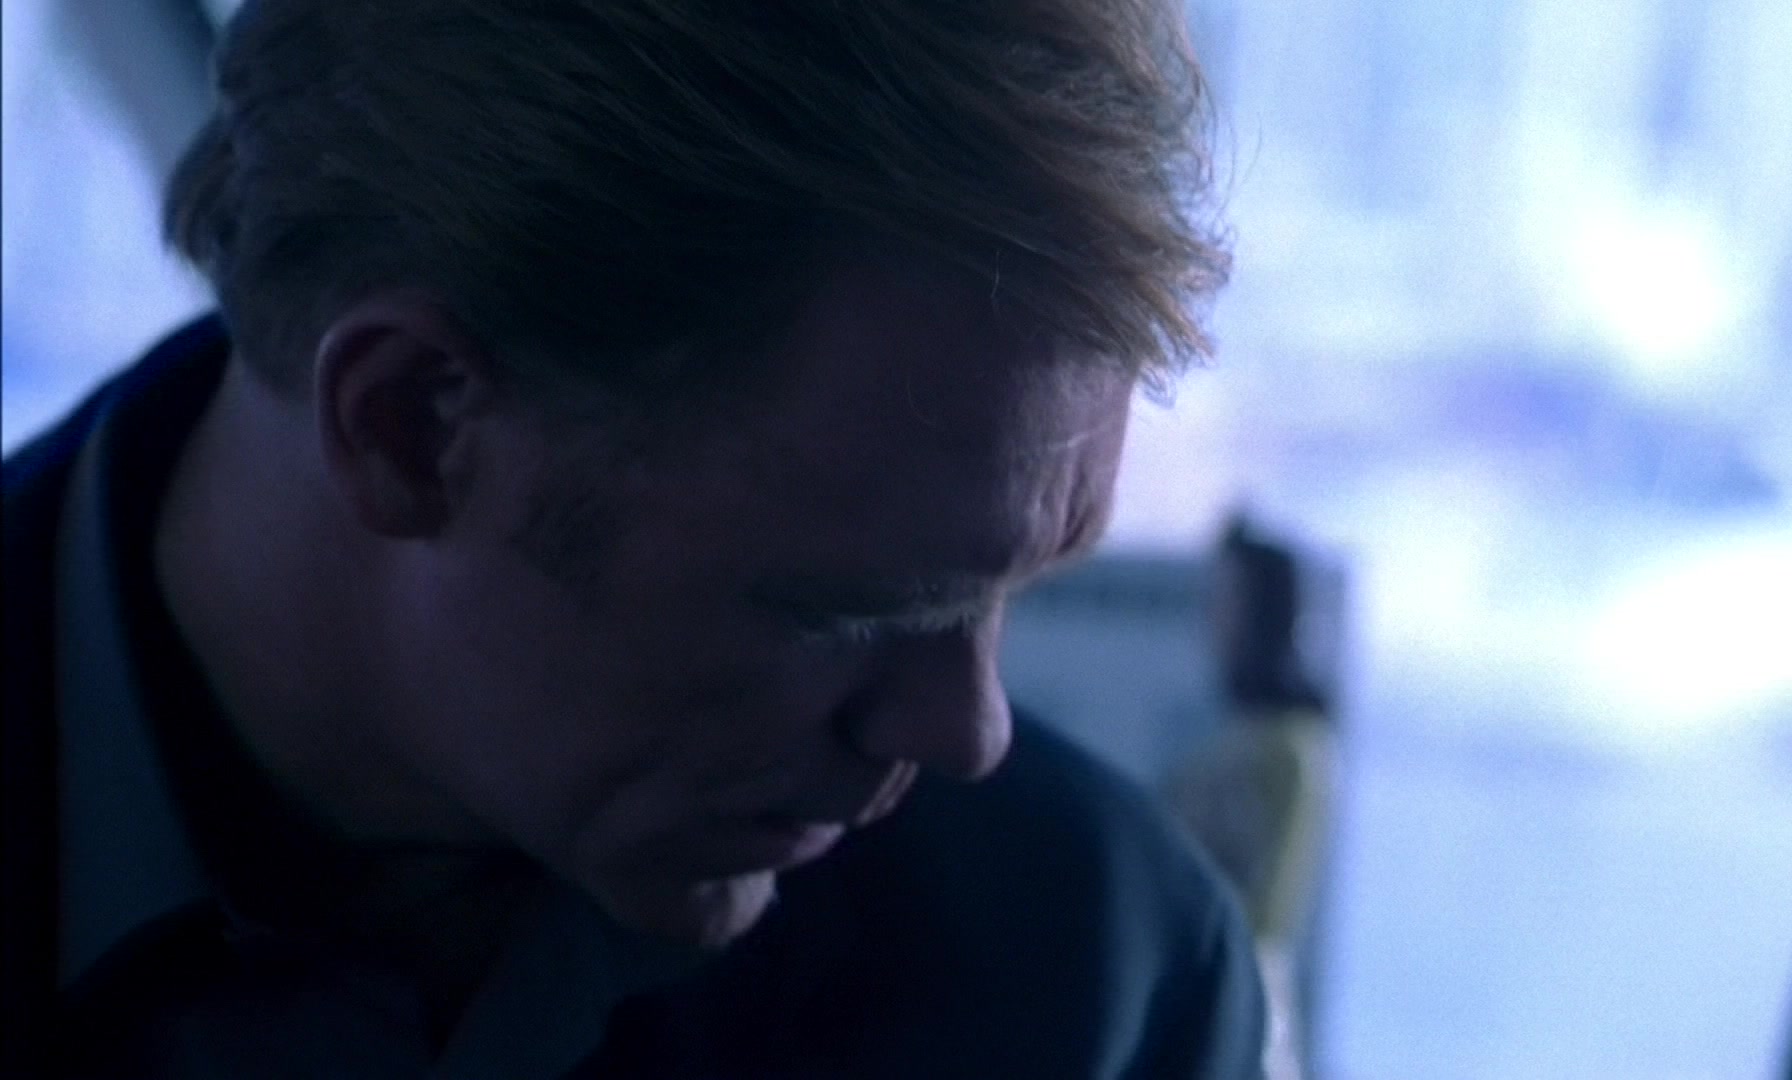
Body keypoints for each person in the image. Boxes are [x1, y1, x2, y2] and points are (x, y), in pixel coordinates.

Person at [0, 1, 1266, 1076]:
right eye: (848, 610)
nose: (966, 734)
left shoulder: (1094, 988)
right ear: (411, 424)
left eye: (1011, 589)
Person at [1162, 517, 1340, 1078]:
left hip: (1243, 1014)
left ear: (1264, 612)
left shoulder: (1292, 749)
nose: (1214, 618)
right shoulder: (1227, 744)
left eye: (1230, 599)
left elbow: (1271, 913)